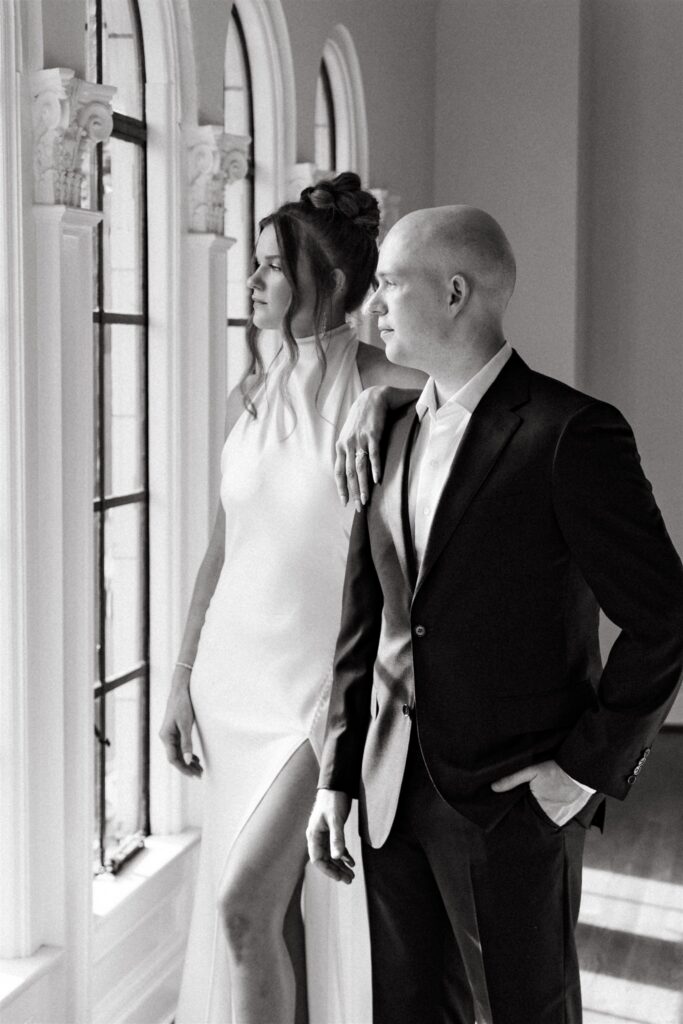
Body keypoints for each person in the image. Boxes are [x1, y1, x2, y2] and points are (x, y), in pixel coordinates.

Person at [307, 205, 683, 1024]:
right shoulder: (388, 428)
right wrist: (338, 773)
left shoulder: (569, 434)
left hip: (511, 800)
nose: (370, 306)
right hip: (387, 789)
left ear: (452, 292)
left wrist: (582, 770)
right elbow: (362, 614)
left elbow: (664, 616)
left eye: (387, 284)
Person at [159, 172, 424, 1024]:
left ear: (334, 282)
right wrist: (179, 678)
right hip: (232, 686)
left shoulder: (385, 384)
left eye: (273, 265)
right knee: (273, 918)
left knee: (244, 907)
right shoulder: (249, 393)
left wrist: (382, 396)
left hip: (319, 696)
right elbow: (219, 550)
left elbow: (479, 400)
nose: (253, 281)